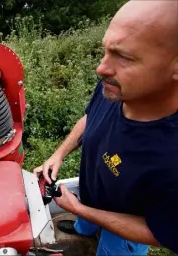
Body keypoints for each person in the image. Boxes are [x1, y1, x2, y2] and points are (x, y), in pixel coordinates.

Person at [33, 0, 178, 255]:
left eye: (123, 56)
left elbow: (159, 233)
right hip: (90, 198)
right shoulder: (115, 88)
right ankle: (84, 231)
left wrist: (77, 208)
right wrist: (58, 154)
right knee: (83, 227)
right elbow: (90, 117)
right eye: (107, 51)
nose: (101, 68)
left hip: (123, 235)